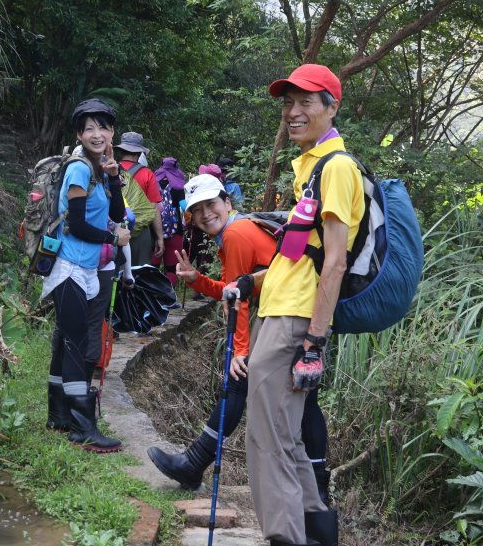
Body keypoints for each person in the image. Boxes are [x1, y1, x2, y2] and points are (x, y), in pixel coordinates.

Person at [226, 64, 363, 546]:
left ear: (332, 106)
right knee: (284, 442)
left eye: (307, 101)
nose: (294, 110)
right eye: (288, 102)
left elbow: (333, 264)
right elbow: (297, 257)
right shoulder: (310, 167)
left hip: (295, 324)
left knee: (268, 447)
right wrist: (252, 280)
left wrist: (315, 342)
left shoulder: (336, 168)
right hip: (280, 310)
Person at [146, 174, 332, 509]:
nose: (205, 214)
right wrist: (198, 280)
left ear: (227, 202)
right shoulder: (238, 230)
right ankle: (317, 489)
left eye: (211, 204)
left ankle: (195, 463)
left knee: (241, 383)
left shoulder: (235, 233)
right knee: (303, 400)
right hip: (301, 310)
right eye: (197, 210)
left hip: (293, 314)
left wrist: (240, 352)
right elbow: (238, 287)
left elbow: (239, 302)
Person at [43, 98, 132, 453]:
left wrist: (113, 178)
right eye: (89, 128)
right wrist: (113, 237)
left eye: (103, 127)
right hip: (70, 268)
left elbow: (117, 210)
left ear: (112, 132)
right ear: (79, 133)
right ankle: (83, 428)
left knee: (65, 341)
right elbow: (77, 224)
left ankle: (58, 416)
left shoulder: (98, 168)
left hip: (82, 268)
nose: (97, 134)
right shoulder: (79, 168)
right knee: (76, 346)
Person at [116, 132, 164, 266]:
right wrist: (160, 238)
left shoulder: (110, 170)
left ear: (120, 150)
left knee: (113, 271)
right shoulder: (147, 174)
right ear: (139, 153)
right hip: (139, 232)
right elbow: (153, 209)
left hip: (113, 228)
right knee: (138, 272)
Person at [152, 156, 187, 285]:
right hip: (175, 229)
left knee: (153, 265)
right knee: (172, 266)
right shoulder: (178, 184)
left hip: (155, 229)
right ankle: (169, 295)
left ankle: (151, 294)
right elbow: (184, 206)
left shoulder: (154, 182)